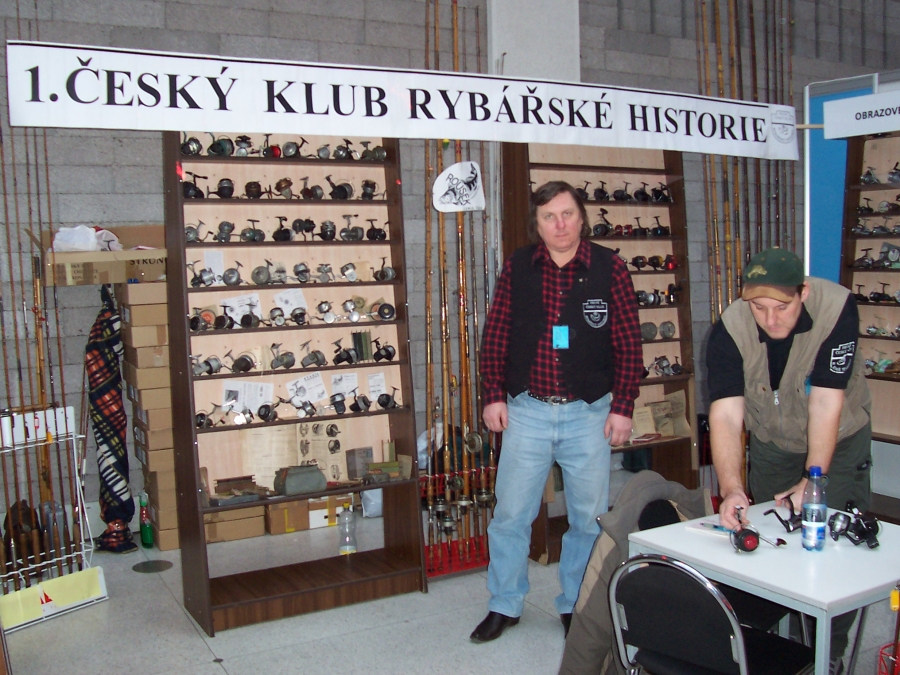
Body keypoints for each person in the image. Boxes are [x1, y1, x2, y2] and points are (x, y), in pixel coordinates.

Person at [471, 180, 643, 643]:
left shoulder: (611, 268)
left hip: (589, 414)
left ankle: (576, 605)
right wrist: (493, 394)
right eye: (549, 217)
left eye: (567, 214)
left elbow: (629, 343)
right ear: (538, 224)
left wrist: (623, 406)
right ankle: (505, 603)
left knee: (588, 520)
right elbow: (497, 334)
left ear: (582, 217)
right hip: (527, 411)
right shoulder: (519, 267)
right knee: (511, 515)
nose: (560, 224)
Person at [707, 247, 871, 670]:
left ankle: (827, 656)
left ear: (804, 292)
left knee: (834, 548)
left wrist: (813, 479)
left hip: (839, 441)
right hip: (773, 445)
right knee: (770, 543)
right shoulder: (730, 329)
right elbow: (726, 415)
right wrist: (731, 488)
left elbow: (826, 402)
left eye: (782, 307)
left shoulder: (837, 310)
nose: (771, 319)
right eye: (759, 307)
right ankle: (783, 647)